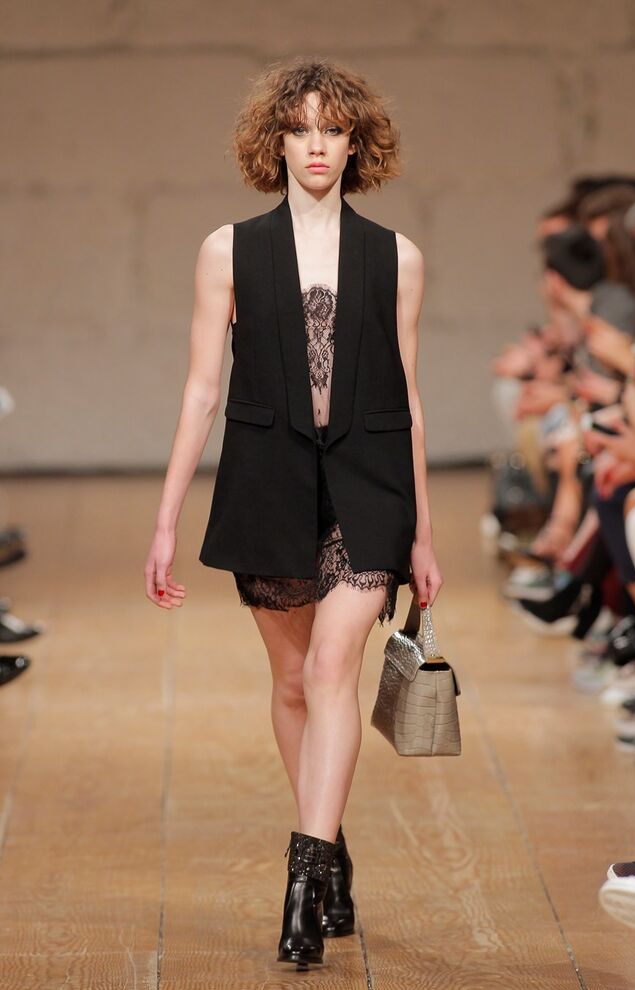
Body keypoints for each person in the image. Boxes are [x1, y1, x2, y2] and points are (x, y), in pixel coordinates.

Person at [144, 56, 443, 971]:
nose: (317, 145)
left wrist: (424, 532)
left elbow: (408, 396)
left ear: (357, 144)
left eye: (333, 129)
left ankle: (303, 884)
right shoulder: (228, 251)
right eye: (301, 128)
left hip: (370, 485)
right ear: (275, 141)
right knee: (290, 684)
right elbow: (201, 391)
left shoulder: (396, 257)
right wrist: (166, 520)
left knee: (330, 667)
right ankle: (332, 837)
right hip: (268, 482)